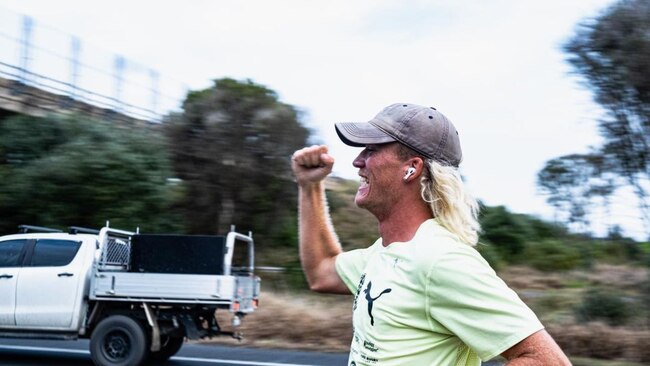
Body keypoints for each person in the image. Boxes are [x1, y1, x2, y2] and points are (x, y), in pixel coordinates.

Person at [291, 103, 571, 366]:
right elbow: (321, 271)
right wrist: (309, 186)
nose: (357, 161)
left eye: (372, 150)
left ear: (411, 168)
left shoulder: (441, 261)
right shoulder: (383, 253)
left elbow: (546, 360)